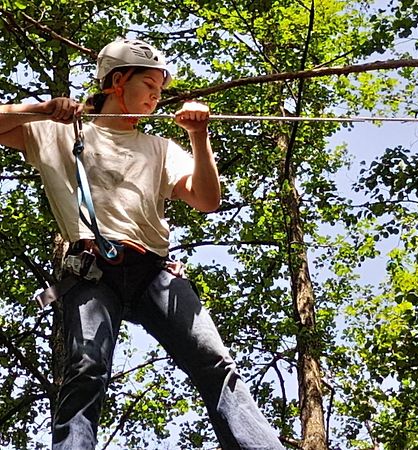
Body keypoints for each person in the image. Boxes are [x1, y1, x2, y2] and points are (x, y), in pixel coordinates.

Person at [0, 38, 285, 450]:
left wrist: (198, 137)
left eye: (160, 88)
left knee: (214, 363)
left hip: (155, 272)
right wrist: (40, 109)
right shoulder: (57, 133)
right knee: (86, 369)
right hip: (92, 270)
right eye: (149, 84)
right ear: (118, 81)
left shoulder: (160, 148)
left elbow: (206, 200)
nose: (156, 95)